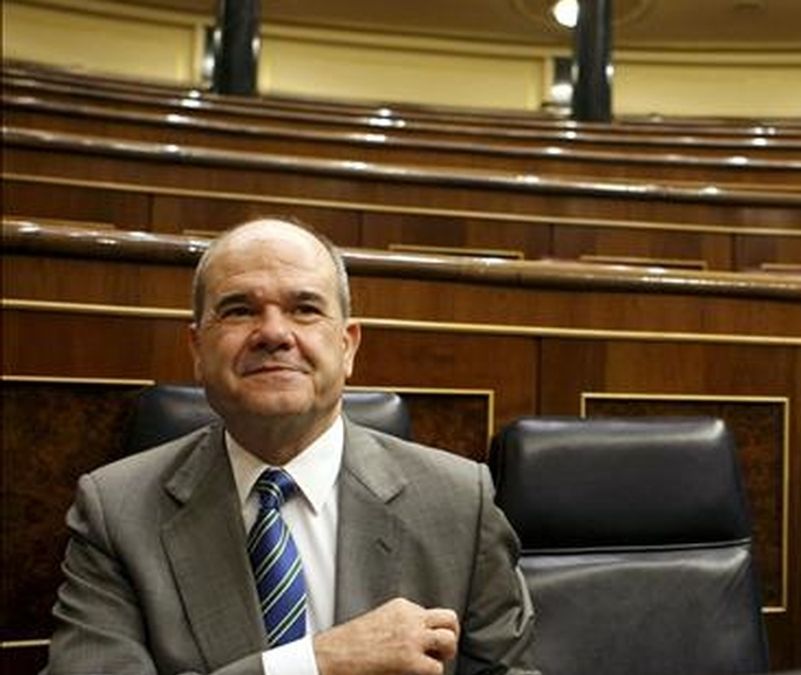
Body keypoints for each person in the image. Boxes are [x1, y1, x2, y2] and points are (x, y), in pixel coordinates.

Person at [43, 218, 539, 674]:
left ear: (347, 346)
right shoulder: (116, 511)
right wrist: (314, 663)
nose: (275, 333)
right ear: (197, 350)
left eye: (304, 309)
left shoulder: (458, 501)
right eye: (240, 310)